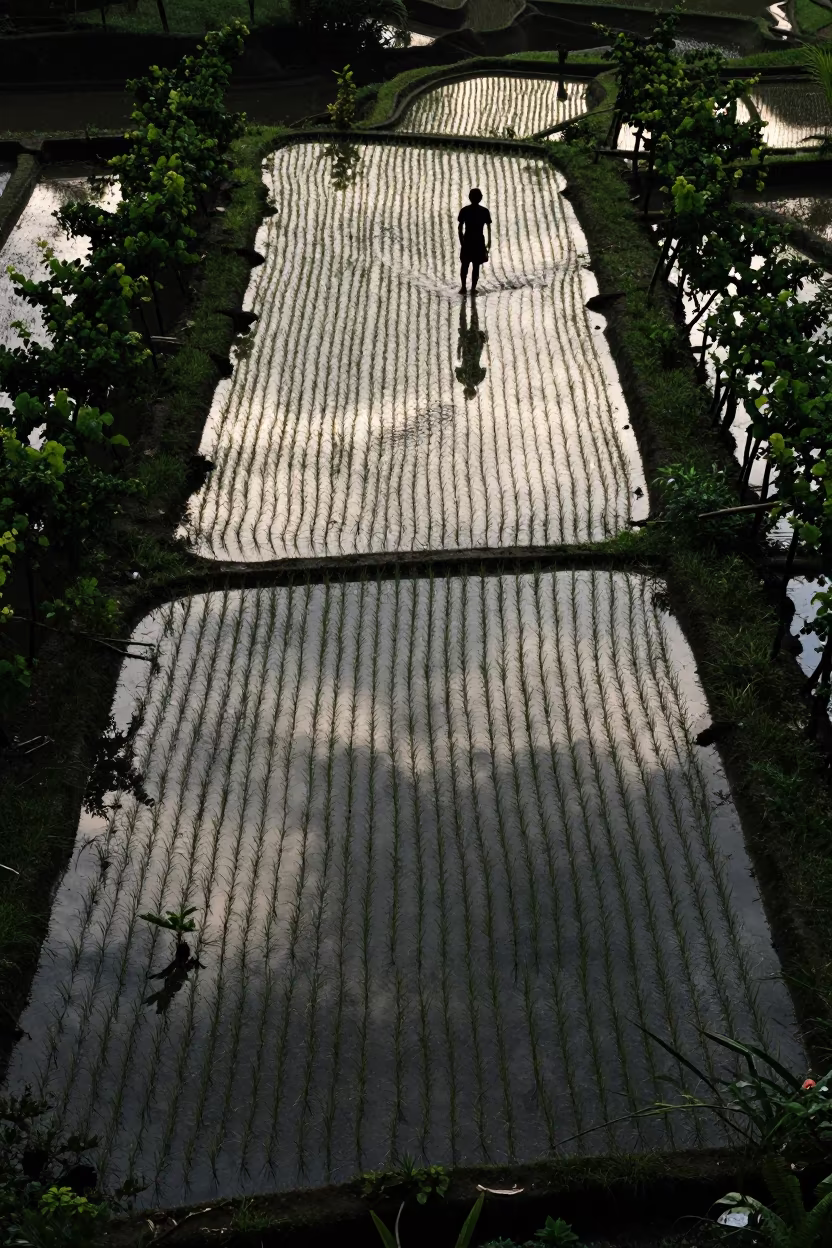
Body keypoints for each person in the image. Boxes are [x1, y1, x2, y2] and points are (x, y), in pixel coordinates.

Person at [458, 188, 492, 295]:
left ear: (469, 197)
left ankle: (463, 287)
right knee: (476, 266)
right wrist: (489, 241)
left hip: (467, 240)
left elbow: (460, 228)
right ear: (481, 198)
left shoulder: (465, 210)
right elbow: (488, 228)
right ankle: (473, 289)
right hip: (478, 241)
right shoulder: (484, 211)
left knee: (465, 265)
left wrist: (461, 241)